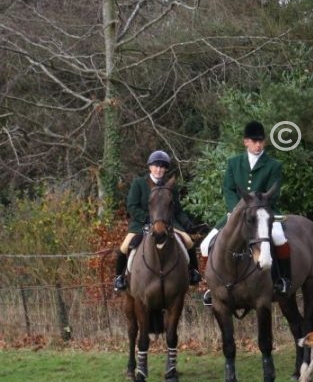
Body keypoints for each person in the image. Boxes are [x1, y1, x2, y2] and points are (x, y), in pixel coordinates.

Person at [200, 121, 290, 305]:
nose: (258, 144)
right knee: (204, 244)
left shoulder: (274, 165)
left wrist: (258, 208)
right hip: (236, 214)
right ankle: (210, 286)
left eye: (261, 141)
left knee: (279, 236)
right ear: (245, 142)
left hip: (264, 214)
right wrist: (236, 211)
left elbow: (274, 193)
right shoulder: (233, 163)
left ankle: (283, 280)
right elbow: (228, 189)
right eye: (254, 141)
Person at [114, 150, 201, 291]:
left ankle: (194, 272)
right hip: (141, 223)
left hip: (168, 224)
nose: (158, 169)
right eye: (156, 166)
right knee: (125, 247)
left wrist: (186, 223)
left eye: (162, 167)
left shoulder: (171, 186)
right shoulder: (139, 183)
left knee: (189, 241)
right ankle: (119, 277)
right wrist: (147, 218)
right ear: (150, 167)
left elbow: (177, 209)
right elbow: (131, 206)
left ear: (165, 169)